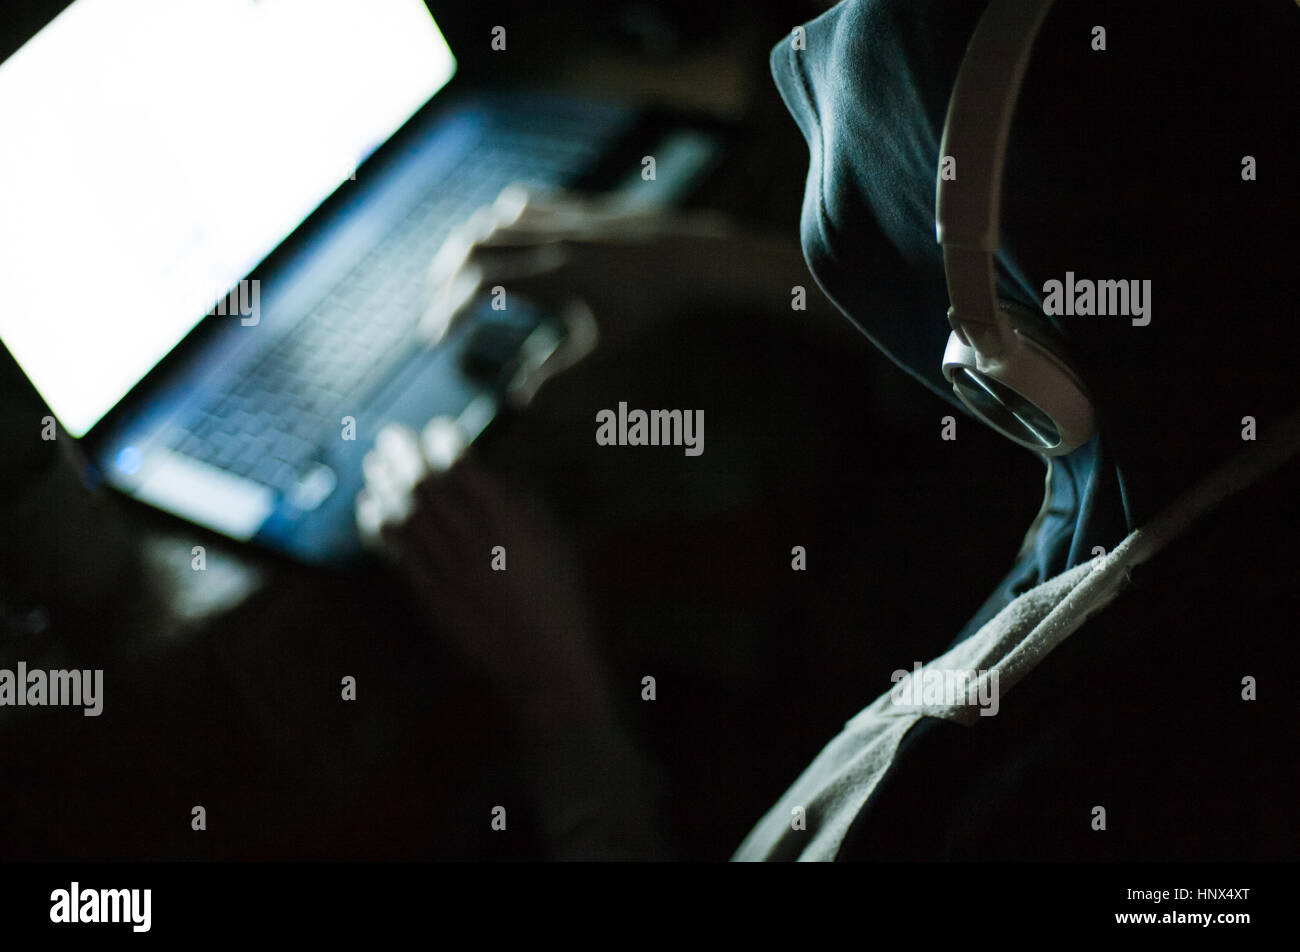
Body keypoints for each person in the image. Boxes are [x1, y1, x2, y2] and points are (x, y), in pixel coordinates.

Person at [357, 0, 1300, 860]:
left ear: (1009, 379)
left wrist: (558, 702)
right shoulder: (1218, 380)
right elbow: (1080, 315)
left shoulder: (1061, 783)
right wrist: (705, 263)